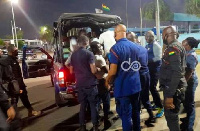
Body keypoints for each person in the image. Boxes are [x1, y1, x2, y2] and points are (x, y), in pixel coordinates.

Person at [106, 24, 141, 131]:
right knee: (136, 113)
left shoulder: (115, 49)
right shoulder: (135, 46)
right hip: (136, 86)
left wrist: (107, 81)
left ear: (115, 34)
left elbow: (112, 72)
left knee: (125, 115)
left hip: (123, 88)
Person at [1, 45, 41, 117]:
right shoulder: (7, 61)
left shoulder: (14, 59)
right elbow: (10, 74)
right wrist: (15, 86)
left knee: (24, 97)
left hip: (19, 83)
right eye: (16, 50)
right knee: (14, 101)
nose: (17, 52)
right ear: (12, 51)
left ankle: (30, 111)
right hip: (15, 85)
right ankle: (12, 117)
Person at [160, 26, 187, 131]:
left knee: (171, 117)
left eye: (163, 36)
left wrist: (170, 95)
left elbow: (176, 72)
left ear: (166, 36)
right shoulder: (179, 46)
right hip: (176, 87)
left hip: (173, 89)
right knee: (173, 116)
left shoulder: (172, 49)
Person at [70, 35, 99, 131]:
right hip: (90, 83)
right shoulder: (89, 54)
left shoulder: (73, 55)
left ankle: (82, 126)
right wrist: (98, 69)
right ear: (86, 43)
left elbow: (71, 71)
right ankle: (95, 126)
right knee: (93, 105)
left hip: (80, 84)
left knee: (83, 106)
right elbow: (93, 70)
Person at [127, 32, 156, 125]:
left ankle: (136, 121)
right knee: (145, 97)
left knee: (136, 98)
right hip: (146, 74)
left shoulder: (130, 50)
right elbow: (146, 62)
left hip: (137, 75)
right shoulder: (143, 48)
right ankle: (151, 116)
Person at [90, 41, 111, 130]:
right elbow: (107, 71)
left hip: (94, 82)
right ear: (95, 49)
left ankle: (96, 123)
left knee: (97, 103)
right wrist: (107, 64)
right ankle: (106, 121)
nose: (101, 48)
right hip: (102, 82)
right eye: (99, 47)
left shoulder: (90, 58)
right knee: (106, 102)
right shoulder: (99, 58)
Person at [181, 37, 199, 131]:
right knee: (186, 102)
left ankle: (189, 127)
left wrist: (183, 83)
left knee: (190, 104)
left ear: (188, 45)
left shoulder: (191, 55)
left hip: (190, 82)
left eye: (184, 43)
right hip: (187, 81)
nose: (182, 44)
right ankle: (187, 119)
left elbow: (190, 72)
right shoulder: (186, 53)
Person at [145, 30, 164, 118]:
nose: (148, 38)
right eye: (147, 36)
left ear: (153, 37)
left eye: (150, 36)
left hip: (155, 70)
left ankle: (161, 107)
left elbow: (158, 58)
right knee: (151, 88)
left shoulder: (156, 45)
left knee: (153, 88)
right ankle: (157, 104)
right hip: (149, 70)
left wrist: (147, 61)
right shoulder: (147, 45)